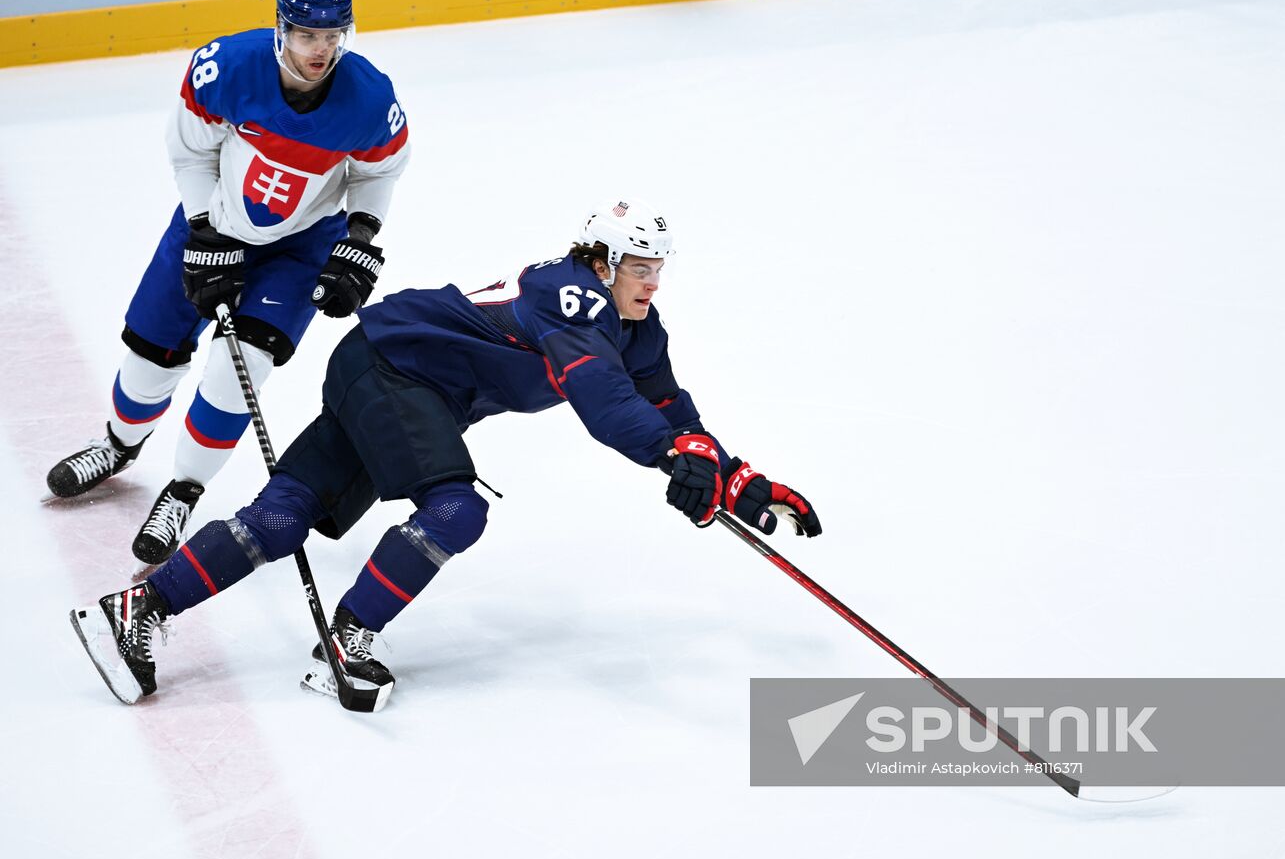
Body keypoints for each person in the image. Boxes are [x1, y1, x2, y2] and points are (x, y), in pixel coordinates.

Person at [69, 199, 822, 706]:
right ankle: (349, 637)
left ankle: (141, 604)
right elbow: (599, 395)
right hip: (397, 369)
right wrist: (666, 456)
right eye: (639, 268)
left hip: (386, 371)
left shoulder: (635, 326)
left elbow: (670, 411)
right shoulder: (573, 296)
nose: (652, 284)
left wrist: (739, 480)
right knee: (456, 508)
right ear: (601, 262)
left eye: (659, 270)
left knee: (280, 517)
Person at [45, 0, 411, 568]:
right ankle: (117, 444)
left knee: (238, 369)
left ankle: (184, 490)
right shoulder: (226, 68)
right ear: (280, 29)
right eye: (306, 34)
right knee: (149, 353)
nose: (321, 49)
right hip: (210, 225)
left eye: (332, 35)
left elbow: (378, 172)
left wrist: (360, 238)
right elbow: (189, 153)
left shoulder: (369, 96)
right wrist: (203, 230)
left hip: (299, 250)